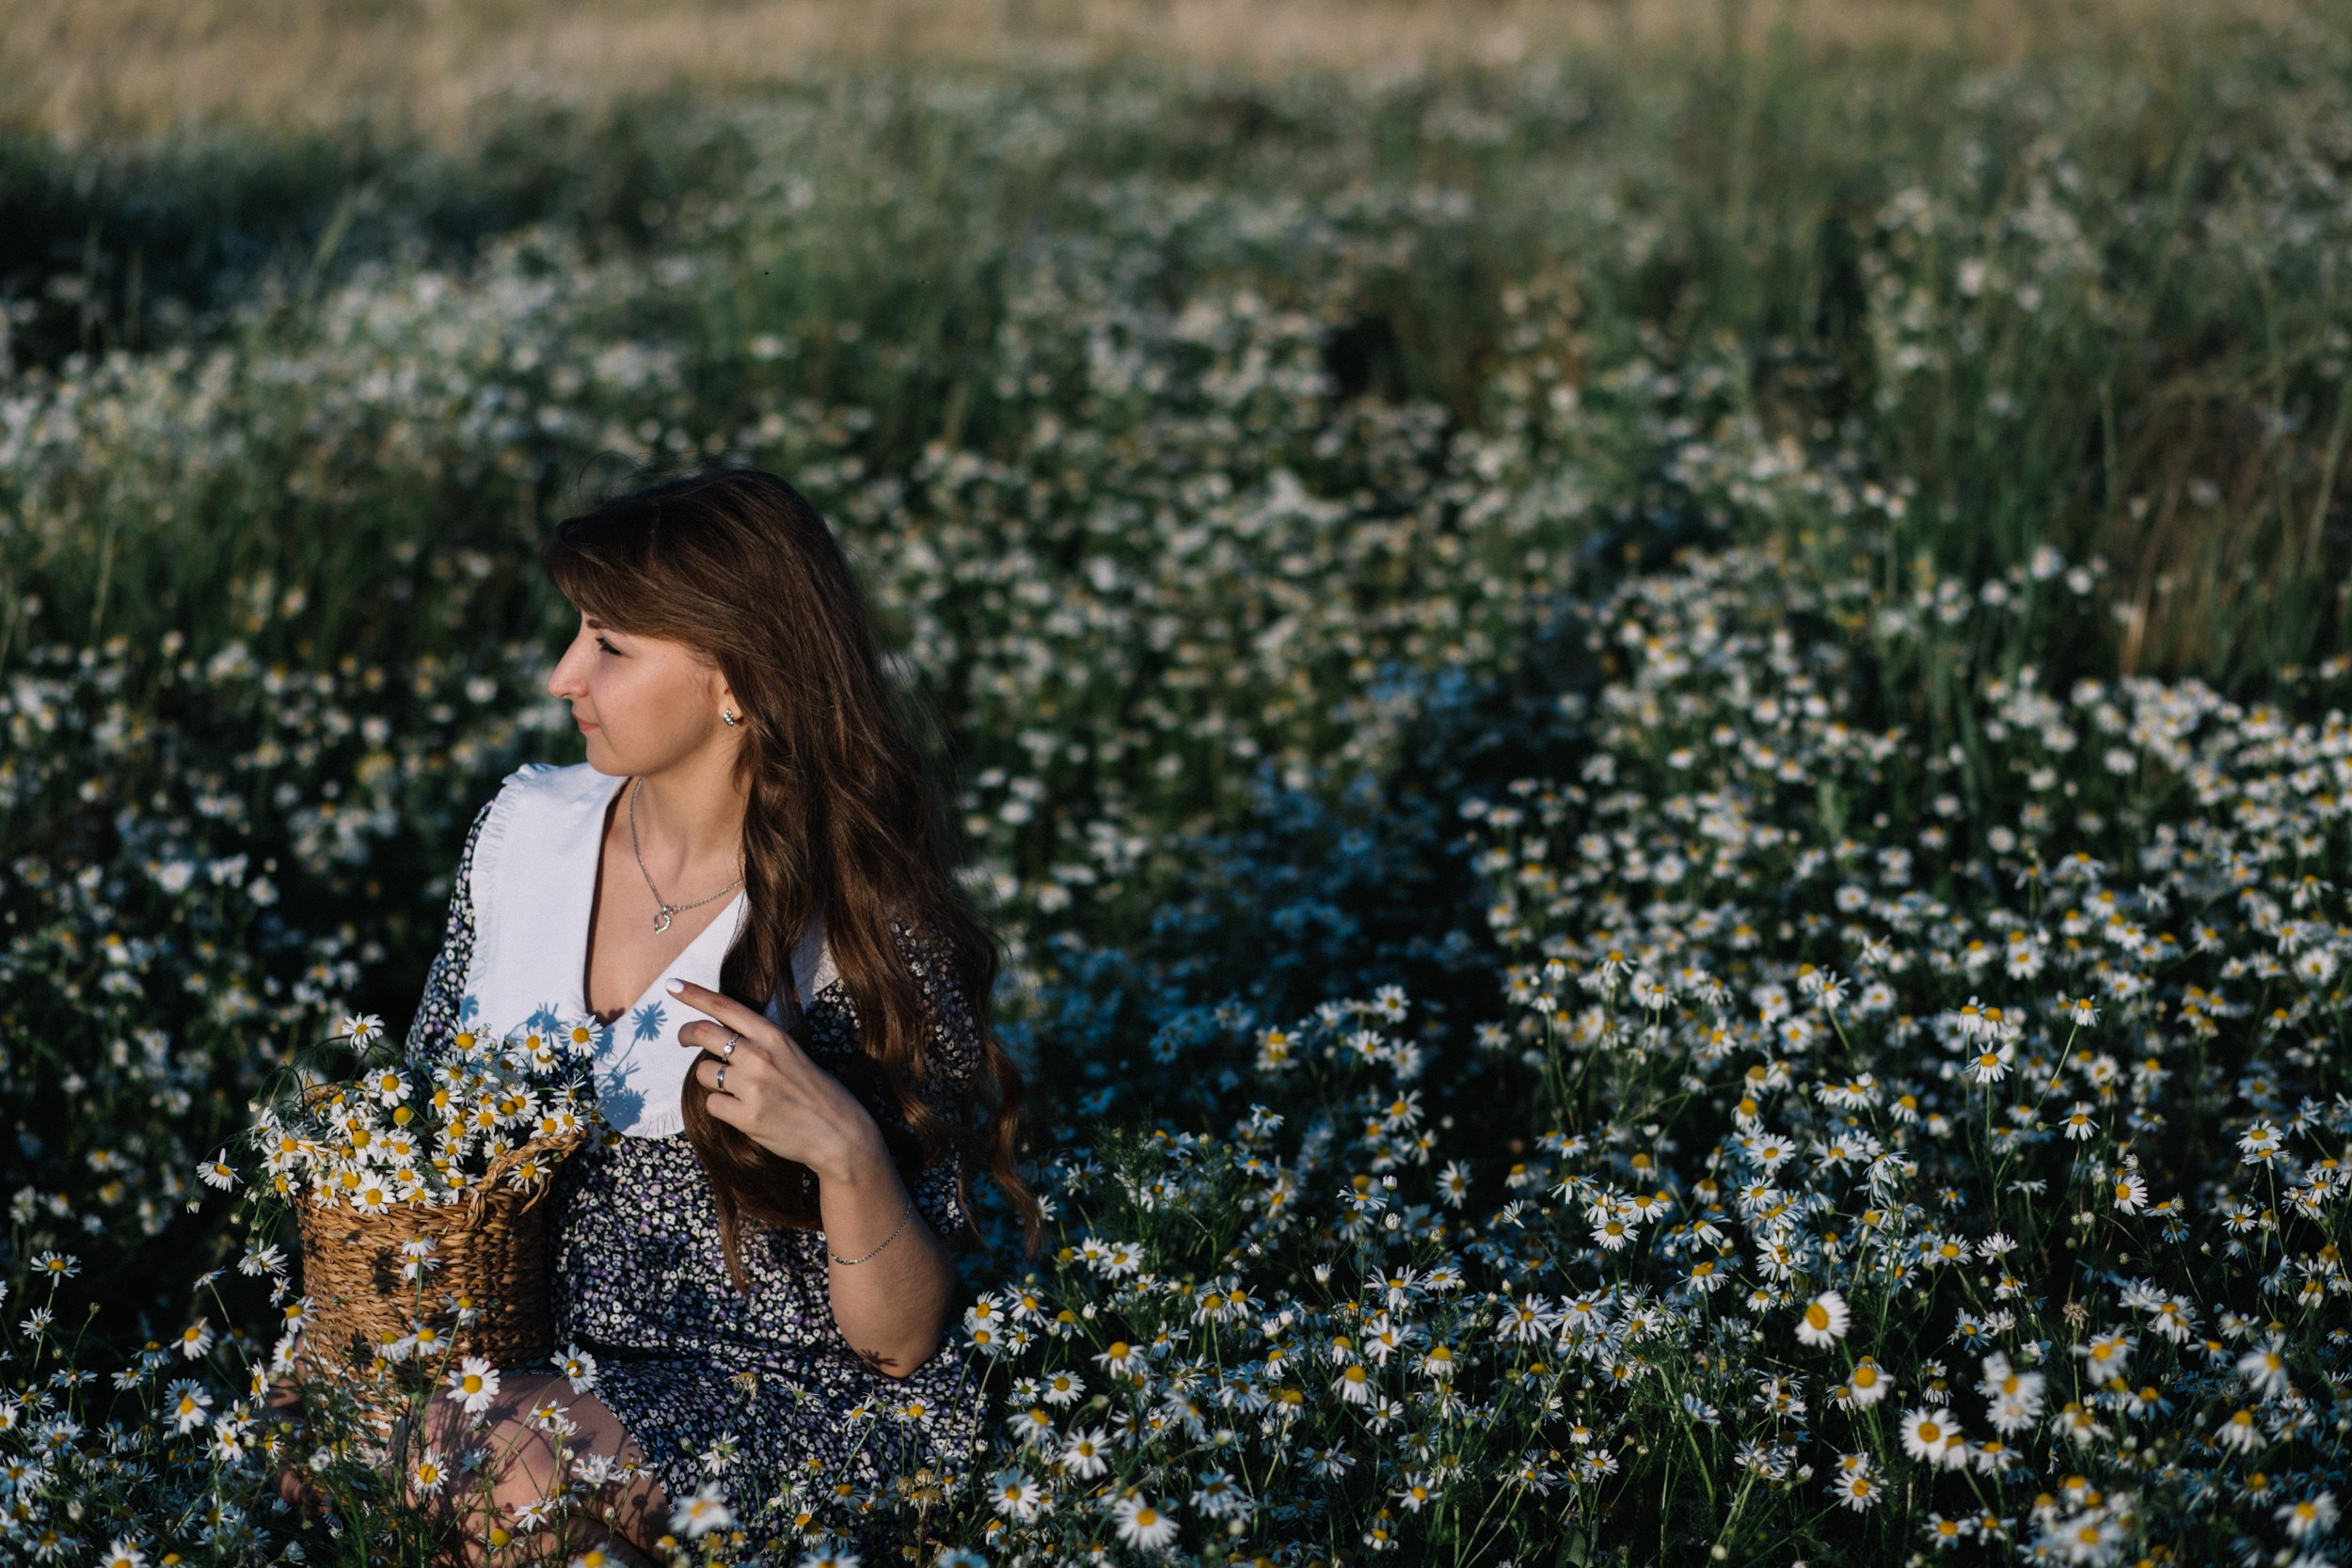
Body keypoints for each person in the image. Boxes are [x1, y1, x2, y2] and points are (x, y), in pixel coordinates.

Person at [397, 468, 1041, 1562]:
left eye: (610, 644)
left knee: (502, 1467)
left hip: (788, 1394)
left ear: (736, 677)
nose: (564, 675)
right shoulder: (527, 833)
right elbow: (422, 1129)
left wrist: (843, 1149)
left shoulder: (862, 932)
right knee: (356, 1449)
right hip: (526, 1363)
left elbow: (901, 1345)